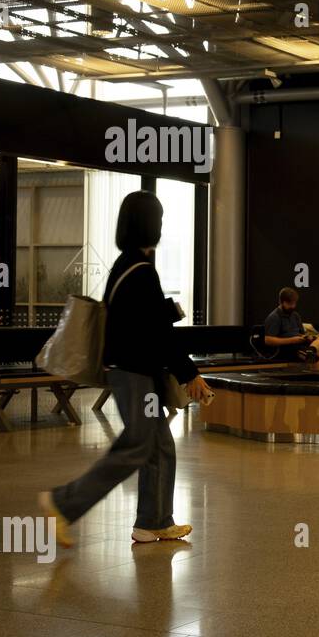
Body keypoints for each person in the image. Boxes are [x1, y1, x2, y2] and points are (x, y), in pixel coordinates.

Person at [39, 191, 211, 547]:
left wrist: (162, 314)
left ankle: (153, 521)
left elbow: (138, 322)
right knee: (137, 445)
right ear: (149, 225)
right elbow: (158, 334)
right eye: (159, 219)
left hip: (130, 369)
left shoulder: (126, 264)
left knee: (160, 445)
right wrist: (189, 372)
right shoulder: (142, 271)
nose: (162, 226)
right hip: (132, 373)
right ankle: (63, 503)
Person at [263, 287, 319, 362]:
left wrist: (306, 337)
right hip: (286, 348)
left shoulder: (295, 315)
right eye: (290, 304)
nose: (293, 306)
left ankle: (310, 350)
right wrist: (292, 340)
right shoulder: (274, 317)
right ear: (281, 302)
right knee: (317, 353)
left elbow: (301, 333)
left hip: (300, 345)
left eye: (294, 303)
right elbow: (268, 340)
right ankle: (309, 353)